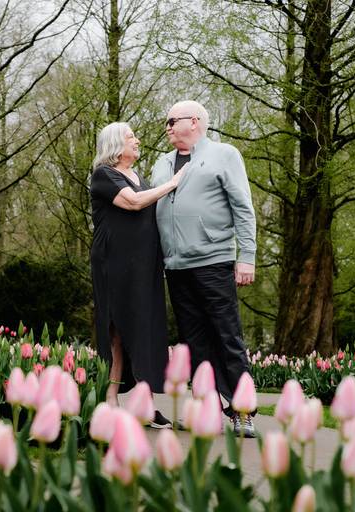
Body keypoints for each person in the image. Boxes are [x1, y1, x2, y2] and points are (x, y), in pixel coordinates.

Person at [151, 100, 257, 437]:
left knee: (227, 336)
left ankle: (242, 412)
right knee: (192, 342)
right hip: (176, 265)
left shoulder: (224, 155)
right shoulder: (162, 162)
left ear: (193, 122)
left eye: (171, 121)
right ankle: (206, 410)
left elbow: (243, 207)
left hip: (213, 261)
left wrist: (247, 256)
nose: (166, 127)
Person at [90, 122, 185, 429]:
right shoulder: (104, 175)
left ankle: (144, 404)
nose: (137, 141)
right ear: (116, 143)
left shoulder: (139, 178)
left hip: (145, 264)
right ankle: (111, 399)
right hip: (114, 261)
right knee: (117, 327)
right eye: (131, 137)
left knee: (146, 329)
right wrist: (174, 182)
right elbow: (132, 203)